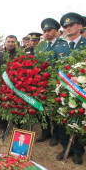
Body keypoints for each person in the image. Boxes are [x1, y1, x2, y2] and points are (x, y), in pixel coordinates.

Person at [53, 12, 86, 165]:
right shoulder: (58, 48)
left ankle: (78, 151)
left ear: (80, 26)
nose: (68, 28)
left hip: (83, 91)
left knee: (80, 119)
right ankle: (65, 147)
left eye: (71, 25)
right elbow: (55, 70)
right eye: (65, 26)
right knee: (62, 120)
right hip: (64, 91)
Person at [37, 18, 65, 146]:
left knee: (56, 110)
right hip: (42, 83)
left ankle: (57, 135)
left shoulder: (62, 44)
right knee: (42, 109)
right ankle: (45, 132)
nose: (46, 33)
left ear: (56, 31)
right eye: (44, 31)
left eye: (49, 30)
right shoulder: (41, 47)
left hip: (57, 83)